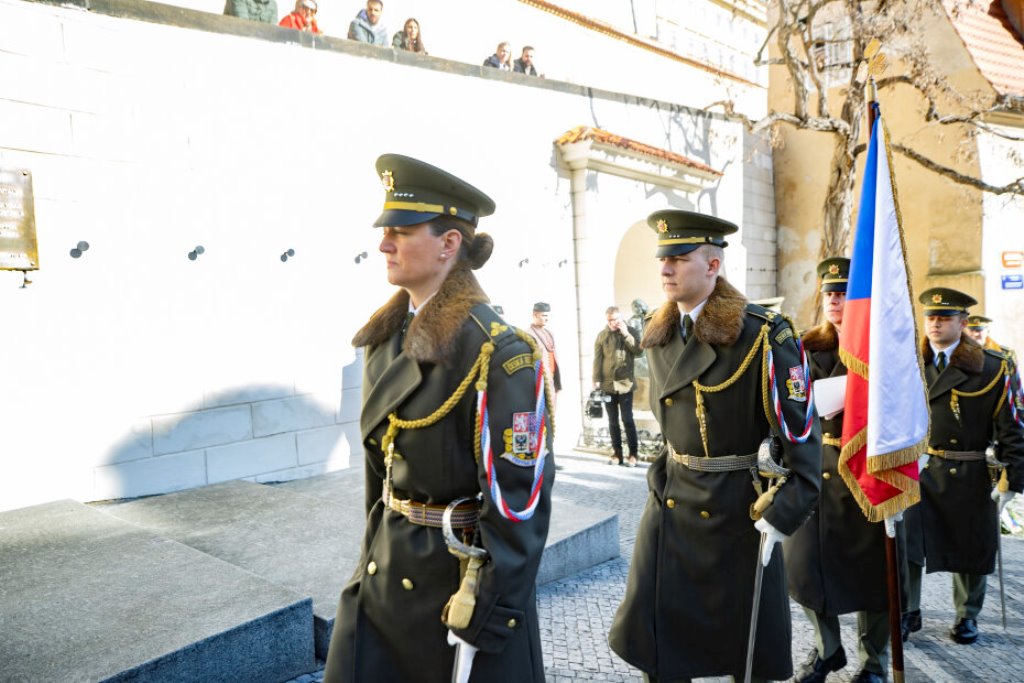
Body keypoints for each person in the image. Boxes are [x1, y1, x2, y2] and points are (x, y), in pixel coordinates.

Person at [323, 154, 554, 682]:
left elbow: (519, 500)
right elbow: (381, 477)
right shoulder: (385, 339)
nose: (384, 244)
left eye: (401, 232)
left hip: (456, 586)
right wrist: (369, 555)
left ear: (449, 243)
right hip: (385, 574)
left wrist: (488, 613)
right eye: (386, 232)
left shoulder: (498, 351)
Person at [609, 209, 821, 682]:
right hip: (670, 509)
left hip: (736, 515)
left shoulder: (762, 334)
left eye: (679, 258)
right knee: (658, 646)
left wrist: (781, 515)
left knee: (743, 653)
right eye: (663, 259)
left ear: (712, 265)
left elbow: (803, 442)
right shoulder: (659, 332)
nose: (665, 268)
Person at [785, 258, 890, 683]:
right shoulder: (806, 346)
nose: (834, 299)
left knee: (874, 577)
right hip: (816, 472)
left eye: (844, 292)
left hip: (867, 473)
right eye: (829, 292)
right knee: (804, 568)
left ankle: (874, 662)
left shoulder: (885, 348)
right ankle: (828, 648)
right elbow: (788, 403)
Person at [902, 287, 1024, 645]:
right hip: (920, 469)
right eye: (931, 317)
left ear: (963, 322)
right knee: (909, 546)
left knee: (971, 547)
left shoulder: (993, 366)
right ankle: (909, 609)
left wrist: (1011, 481)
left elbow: (1013, 430)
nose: (935, 324)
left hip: (969, 471)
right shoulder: (908, 362)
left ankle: (967, 614)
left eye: (945, 317)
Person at [593, 306, 642, 467]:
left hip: (625, 384)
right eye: (610, 320)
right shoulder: (602, 335)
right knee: (612, 421)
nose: (613, 323)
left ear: (620, 318)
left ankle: (633, 454)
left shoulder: (631, 331)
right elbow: (597, 359)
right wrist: (596, 379)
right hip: (608, 385)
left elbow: (639, 351)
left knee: (627, 419)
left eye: (615, 319)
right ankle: (617, 454)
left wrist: (626, 333)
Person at [527, 302, 561, 412]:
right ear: (535, 315)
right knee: (540, 414)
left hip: (552, 380)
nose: (547, 319)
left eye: (548, 315)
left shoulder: (550, 333)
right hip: (539, 381)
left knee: (552, 415)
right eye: (544, 315)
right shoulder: (528, 335)